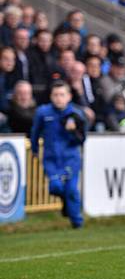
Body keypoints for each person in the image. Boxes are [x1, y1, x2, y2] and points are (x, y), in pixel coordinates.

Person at [30, 80, 87, 228]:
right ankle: (66, 203)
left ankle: (77, 222)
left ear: (68, 96)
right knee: (55, 187)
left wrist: (73, 131)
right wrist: (35, 148)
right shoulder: (43, 112)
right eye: (55, 95)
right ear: (50, 96)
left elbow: (82, 139)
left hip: (70, 159)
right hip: (51, 159)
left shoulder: (75, 114)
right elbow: (35, 132)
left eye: (62, 95)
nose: (58, 98)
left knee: (72, 190)